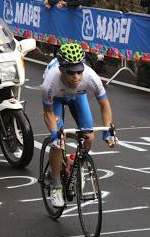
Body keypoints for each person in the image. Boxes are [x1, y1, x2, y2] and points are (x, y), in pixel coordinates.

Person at [42, 43, 116, 207]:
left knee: (89, 136)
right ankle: (55, 184)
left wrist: (108, 131)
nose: (76, 76)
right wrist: (54, 133)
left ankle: (74, 163)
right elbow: (47, 113)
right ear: (61, 69)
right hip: (56, 99)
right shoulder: (50, 82)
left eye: (79, 71)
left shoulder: (90, 76)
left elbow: (104, 104)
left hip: (78, 96)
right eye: (71, 72)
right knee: (58, 141)